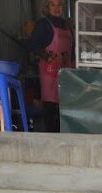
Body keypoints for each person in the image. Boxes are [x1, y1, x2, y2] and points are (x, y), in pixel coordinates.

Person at [26, 0, 73, 132]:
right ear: (47, 8)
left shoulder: (67, 26)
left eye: (59, 5)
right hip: (50, 74)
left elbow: (73, 50)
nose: (57, 8)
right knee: (51, 111)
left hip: (66, 74)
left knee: (66, 112)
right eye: (53, 5)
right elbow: (33, 45)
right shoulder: (43, 24)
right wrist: (47, 56)